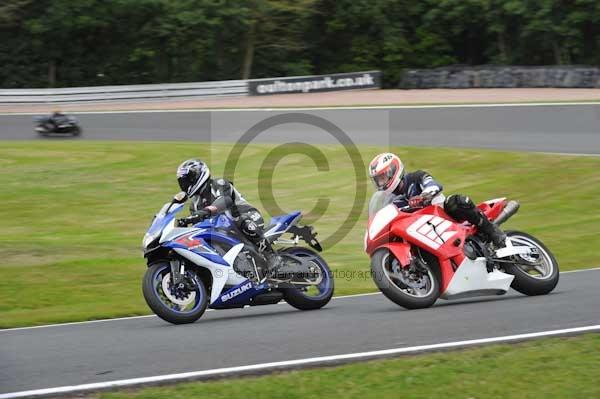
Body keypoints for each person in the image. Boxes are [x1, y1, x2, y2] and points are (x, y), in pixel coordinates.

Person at [368, 152, 506, 247]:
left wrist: (424, 196)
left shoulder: (416, 177)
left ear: (394, 170)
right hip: (422, 228)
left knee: (455, 202)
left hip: (444, 216)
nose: (381, 183)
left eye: (383, 178)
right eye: (378, 180)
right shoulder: (392, 200)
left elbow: (434, 185)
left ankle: (492, 231)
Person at [174, 159, 281, 270]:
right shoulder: (195, 204)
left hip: (248, 215)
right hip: (224, 230)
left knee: (241, 220)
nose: (185, 184)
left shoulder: (218, 184)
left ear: (198, 176)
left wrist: (205, 211)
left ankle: (271, 255)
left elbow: (225, 201)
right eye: (183, 182)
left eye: (188, 180)